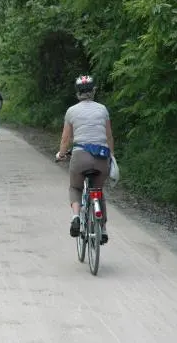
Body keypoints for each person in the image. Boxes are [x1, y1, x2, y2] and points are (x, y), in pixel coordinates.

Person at [55, 75, 114, 244]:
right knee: (98, 190)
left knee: (75, 187)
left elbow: (66, 140)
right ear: (93, 91)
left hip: (80, 156)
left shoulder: (71, 111)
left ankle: (75, 217)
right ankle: (102, 228)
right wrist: (112, 156)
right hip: (102, 156)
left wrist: (61, 154)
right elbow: (109, 136)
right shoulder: (102, 109)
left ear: (78, 93)